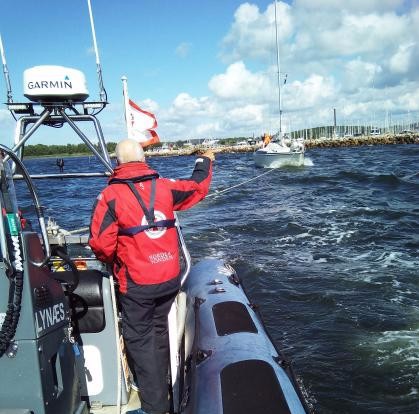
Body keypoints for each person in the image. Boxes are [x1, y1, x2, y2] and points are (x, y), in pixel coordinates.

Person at [89, 138, 214, 414]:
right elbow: (197, 187)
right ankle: (163, 386)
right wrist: (204, 161)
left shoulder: (110, 196)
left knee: (140, 340)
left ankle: (155, 407)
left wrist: (114, 261)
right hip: (169, 279)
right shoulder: (165, 186)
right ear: (144, 159)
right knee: (158, 332)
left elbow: (100, 245)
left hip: (137, 286)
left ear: (117, 162)